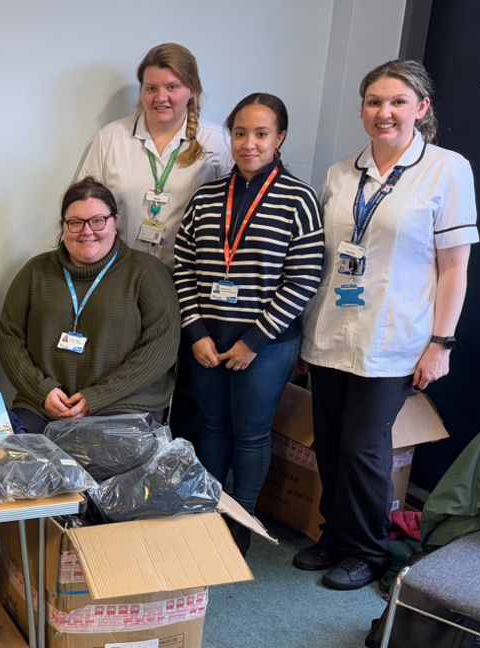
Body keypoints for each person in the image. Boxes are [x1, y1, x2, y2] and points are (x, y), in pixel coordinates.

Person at [296, 60, 478, 590]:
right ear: (362, 110)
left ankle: (368, 550)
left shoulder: (447, 169)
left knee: (364, 447)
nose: (385, 112)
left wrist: (441, 342)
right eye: (374, 101)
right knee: (328, 442)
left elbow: (455, 267)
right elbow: (327, 259)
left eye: (398, 101)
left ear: (421, 109)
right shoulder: (339, 172)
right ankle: (334, 535)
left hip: (395, 336)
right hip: (331, 330)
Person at [174, 93, 324, 554]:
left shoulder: (298, 199)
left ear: (279, 138)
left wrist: (254, 342)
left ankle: (241, 520)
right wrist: (196, 332)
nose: (249, 144)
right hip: (207, 341)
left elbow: (305, 278)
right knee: (214, 427)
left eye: (261, 134)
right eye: (240, 133)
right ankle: (212, 511)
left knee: (251, 432)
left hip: (266, 345)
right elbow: (183, 266)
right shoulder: (206, 196)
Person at [77, 43, 232, 447]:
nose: (160, 97)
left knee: (185, 385)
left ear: (192, 90)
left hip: (187, 283)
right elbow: (85, 205)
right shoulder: (112, 138)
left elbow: (236, 209)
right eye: (150, 88)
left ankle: (177, 471)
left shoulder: (217, 142)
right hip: (121, 281)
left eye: (172, 87)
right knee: (125, 376)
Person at [0, 177, 180, 436]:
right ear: (63, 226)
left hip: (123, 406)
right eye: (75, 222)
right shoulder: (35, 271)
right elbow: (9, 338)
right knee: (10, 457)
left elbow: (161, 347)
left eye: (98, 220)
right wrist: (43, 391)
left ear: (115, 223)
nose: (87, 231)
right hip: (44, 407)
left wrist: (97, 397)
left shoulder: (146, 272)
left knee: (91, 466)